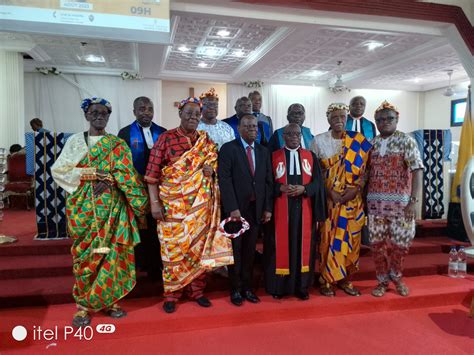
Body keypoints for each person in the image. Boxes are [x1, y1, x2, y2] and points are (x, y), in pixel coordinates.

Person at [51, 97, 149, 327]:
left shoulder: (117, 144)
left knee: (113, 254)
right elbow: (60, 171)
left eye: (104, 113)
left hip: (113, 210)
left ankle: (112, 301)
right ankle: (84, 306)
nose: (99, 116)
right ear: (86, 115)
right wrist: (92, 174)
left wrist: (112, 180)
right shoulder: (76, 142)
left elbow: (128, 175)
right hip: (84, 209)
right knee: (87, 255)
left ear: (108, 116)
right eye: (94, 112)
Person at [145, 97, 233, 314]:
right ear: (180, 114)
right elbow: (152, 176)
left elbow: (216, 167)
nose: (193, 117)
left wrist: (211, 171)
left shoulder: (207, 141)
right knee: (172, 251)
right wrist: (154, 204)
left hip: (200, 208)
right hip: (172, 207)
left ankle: (197, 291)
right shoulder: (165, 139)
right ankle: (172, 293)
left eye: (196, 114)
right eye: (188, 113)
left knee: (197, 249)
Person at [312, 103, 372, 297]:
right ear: (328, 119)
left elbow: (367, 170)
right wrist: (330, 191)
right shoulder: (318, 141)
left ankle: (346, 279)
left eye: (342, 117)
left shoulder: (359, 141)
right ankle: (327, 279)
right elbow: (315, 172)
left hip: (352, 201)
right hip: (331, 201)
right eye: (335, 117)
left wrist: (357, 189)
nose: (339, 120)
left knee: (351, 240)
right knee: (329, 239)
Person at [366, 101, 423, 297]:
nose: (385, 122)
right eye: (380, 120)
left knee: (402, 244)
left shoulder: (407, 141)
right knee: (377, 246)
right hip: (375, 206)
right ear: (376, 122)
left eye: (389, 118)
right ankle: (382, 281)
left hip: (401, 205)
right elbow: (365, 173)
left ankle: (397, 276)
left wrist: (413, 201)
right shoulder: (371, 144)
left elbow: (417, 170)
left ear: (397, 119)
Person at [264, 123, 326, 300]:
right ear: (283, 136)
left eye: (297, 134)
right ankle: (279, 287)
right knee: (280, 247)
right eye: (289, 134)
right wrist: (280, 187)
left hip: (303, 209)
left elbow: (318, 184)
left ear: (301, 136)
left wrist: (304, 189)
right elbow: (267, 182)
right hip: (280, 211)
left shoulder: (310, 156)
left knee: (302, 246)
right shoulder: (274, 156)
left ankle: (302, 287)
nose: (293, 137)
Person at [218, 114, 273, 306]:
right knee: (236, 251)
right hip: (236, 211)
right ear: (239, 129)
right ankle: (235, 289)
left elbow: (268, 182)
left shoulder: (263, 151)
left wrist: (267, 208)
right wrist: (232, 208)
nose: (252, 129)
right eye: (247, 126)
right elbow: (224, 181)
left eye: (255, 127)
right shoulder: (228, 149)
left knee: (250, 251)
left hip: (256, 209)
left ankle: (248, 288)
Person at [118, 96, 166, 280]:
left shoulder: (162, 132)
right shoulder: (124, 133)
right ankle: (139, 265)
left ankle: (156, 266)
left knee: (156, 229)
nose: (146, 112)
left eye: (149, 108)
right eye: (141, 108)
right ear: (134, 112)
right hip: (134, 190)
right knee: (138, 229)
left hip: (158, 190)